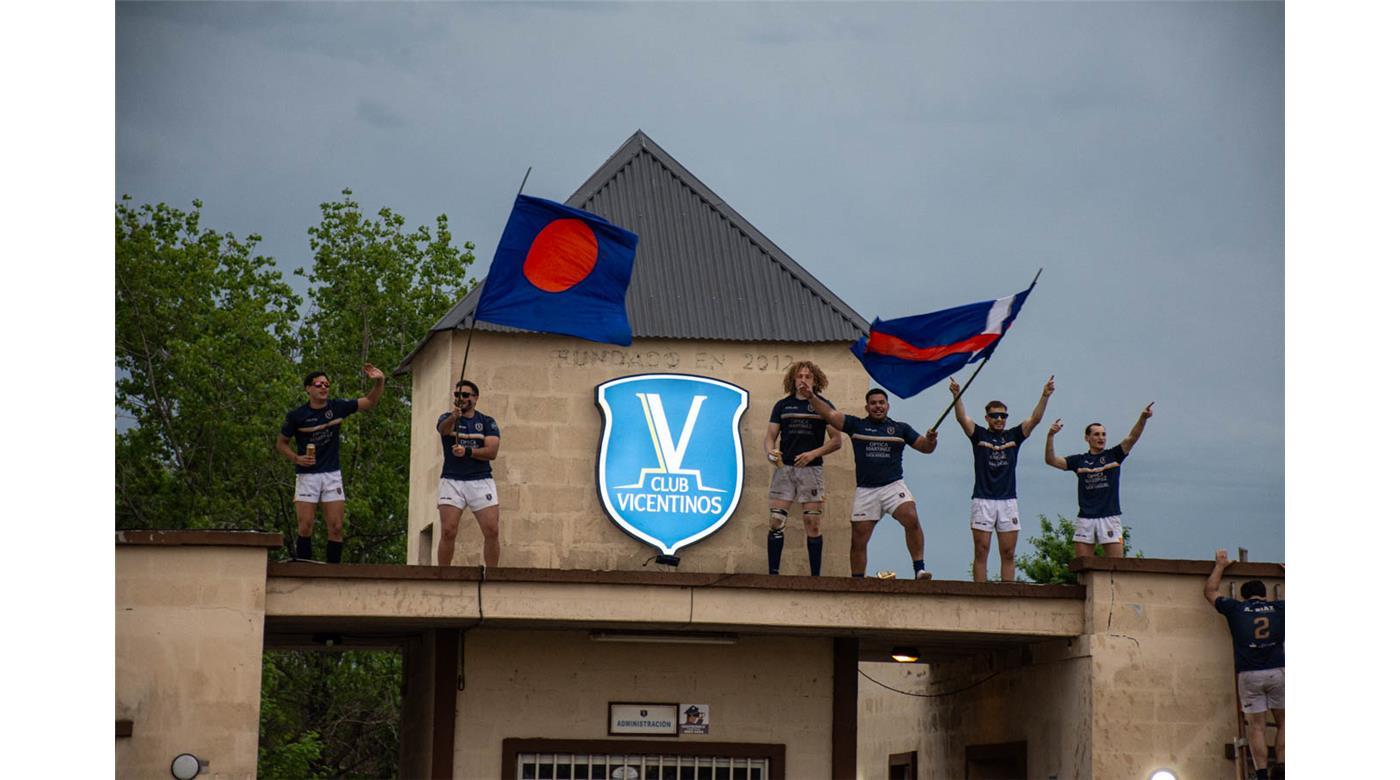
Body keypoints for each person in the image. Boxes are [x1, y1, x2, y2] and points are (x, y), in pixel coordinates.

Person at [809, 387, 937, 579]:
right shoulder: (856, 425)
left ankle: (919, 569)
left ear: (888, 406)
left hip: (892, 486)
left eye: (881, 403)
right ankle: (858, 581)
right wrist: (811, 396)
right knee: (858, 540)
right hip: (866, 491)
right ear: (867, 407)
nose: (878, 406)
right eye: (873, 403)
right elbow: (830, 414)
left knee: (911, 516)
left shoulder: (901, 429)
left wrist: (932, 440)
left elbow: (926, 448)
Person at [950, 375, 1054, 582]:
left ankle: (1006, 592)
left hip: (1007, 501)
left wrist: (1044, 396)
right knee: (981, 551)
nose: (999, 419)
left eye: (1003, 416)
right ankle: (980, 593)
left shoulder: (1014, 436)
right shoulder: (979, 435)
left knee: (1008, 552)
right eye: (995, 416)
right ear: (987, 418)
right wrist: (956, 395)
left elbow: (1035, 420)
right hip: (983, 499)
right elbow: (962, 418)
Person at [276, 365, 385, 563]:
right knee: (305, 525)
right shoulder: (296, 416)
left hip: (331, 474)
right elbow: (281, 443)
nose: (324, 387)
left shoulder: (337, 407)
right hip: (307, 475)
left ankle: (332, 571)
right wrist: (296, 458)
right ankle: (304, 568)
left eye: (327, 384)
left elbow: (370, 401)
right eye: (319, 384)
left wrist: (379, 381)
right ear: (308, 388)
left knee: (335, 527)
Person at [1204, 550, 1284, 780]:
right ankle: (1283, 767)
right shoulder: (1279, 608)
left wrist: (1220, 565)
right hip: (1278, 670)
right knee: (1284, 722)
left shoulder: (1236, 608)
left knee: (1256, 726)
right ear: (1265, 595)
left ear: (1244, 596)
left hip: (1249, 674)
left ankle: (1260, 773)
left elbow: (1209, 592)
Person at [762, 361, 843, 576]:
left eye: (808, 377)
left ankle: (815, 576)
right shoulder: (782, 405)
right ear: (793, 380)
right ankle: (773, 574)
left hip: (811, 470)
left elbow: (837, 441)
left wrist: (813, 454)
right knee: (776, 520)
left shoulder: (823, 405)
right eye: (800, 376)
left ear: (815, 380)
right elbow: (770, 437)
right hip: (785, 469)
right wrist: (771, 453)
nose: (804, 380)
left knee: (812, 523)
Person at [1043, 402, 1153, 558]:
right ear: (1087, 438)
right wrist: (1050, 436)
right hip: (1086, 518)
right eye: (1096, 434)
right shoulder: (1079, 460)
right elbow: (1051, 460)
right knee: (1083, 566)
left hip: (1109, 517)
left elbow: (1132, 438)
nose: (1101, 437)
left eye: (1103, 434)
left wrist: (1143, 418)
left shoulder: (1114, 455)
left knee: (1117, 566)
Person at [435, 379, 501, 566]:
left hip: (480, 480)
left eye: (465, 395)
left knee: (492, 530)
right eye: (457, 395)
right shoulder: (446, 418)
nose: (460, 398)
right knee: (448, 530)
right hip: (451, 480)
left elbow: (492, 451)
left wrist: (468, 451)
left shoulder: (487, 422)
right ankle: (443, 574)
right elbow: (443, 430)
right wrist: (453, 418)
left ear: (475, 398)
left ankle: (493, 574)